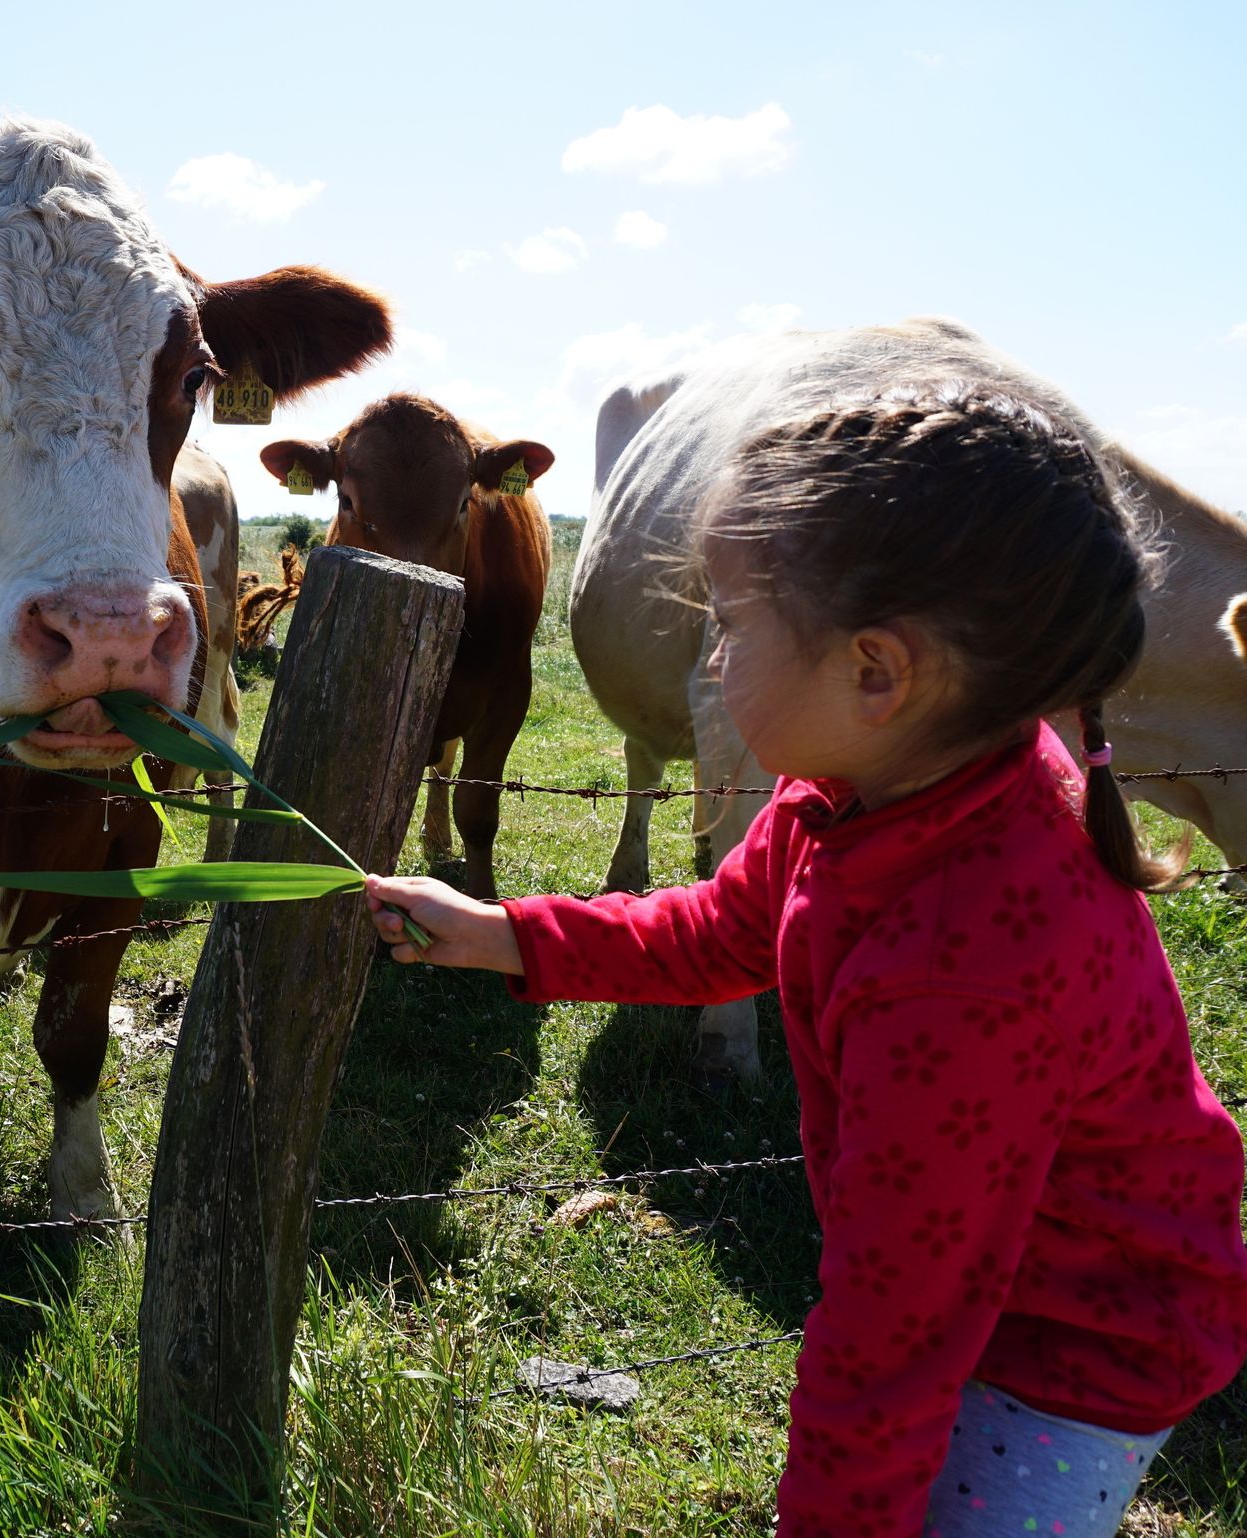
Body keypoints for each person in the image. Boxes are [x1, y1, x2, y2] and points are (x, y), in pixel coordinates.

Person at [366, 385, 1247, 1538]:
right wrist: (506, 934)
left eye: (728, 621)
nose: (712, 649)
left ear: (875, 672)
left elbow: (887, 1349)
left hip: (1067, 1356)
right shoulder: (860, 786)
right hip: (973, 1292)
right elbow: (720, 930)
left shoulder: (964, 961)